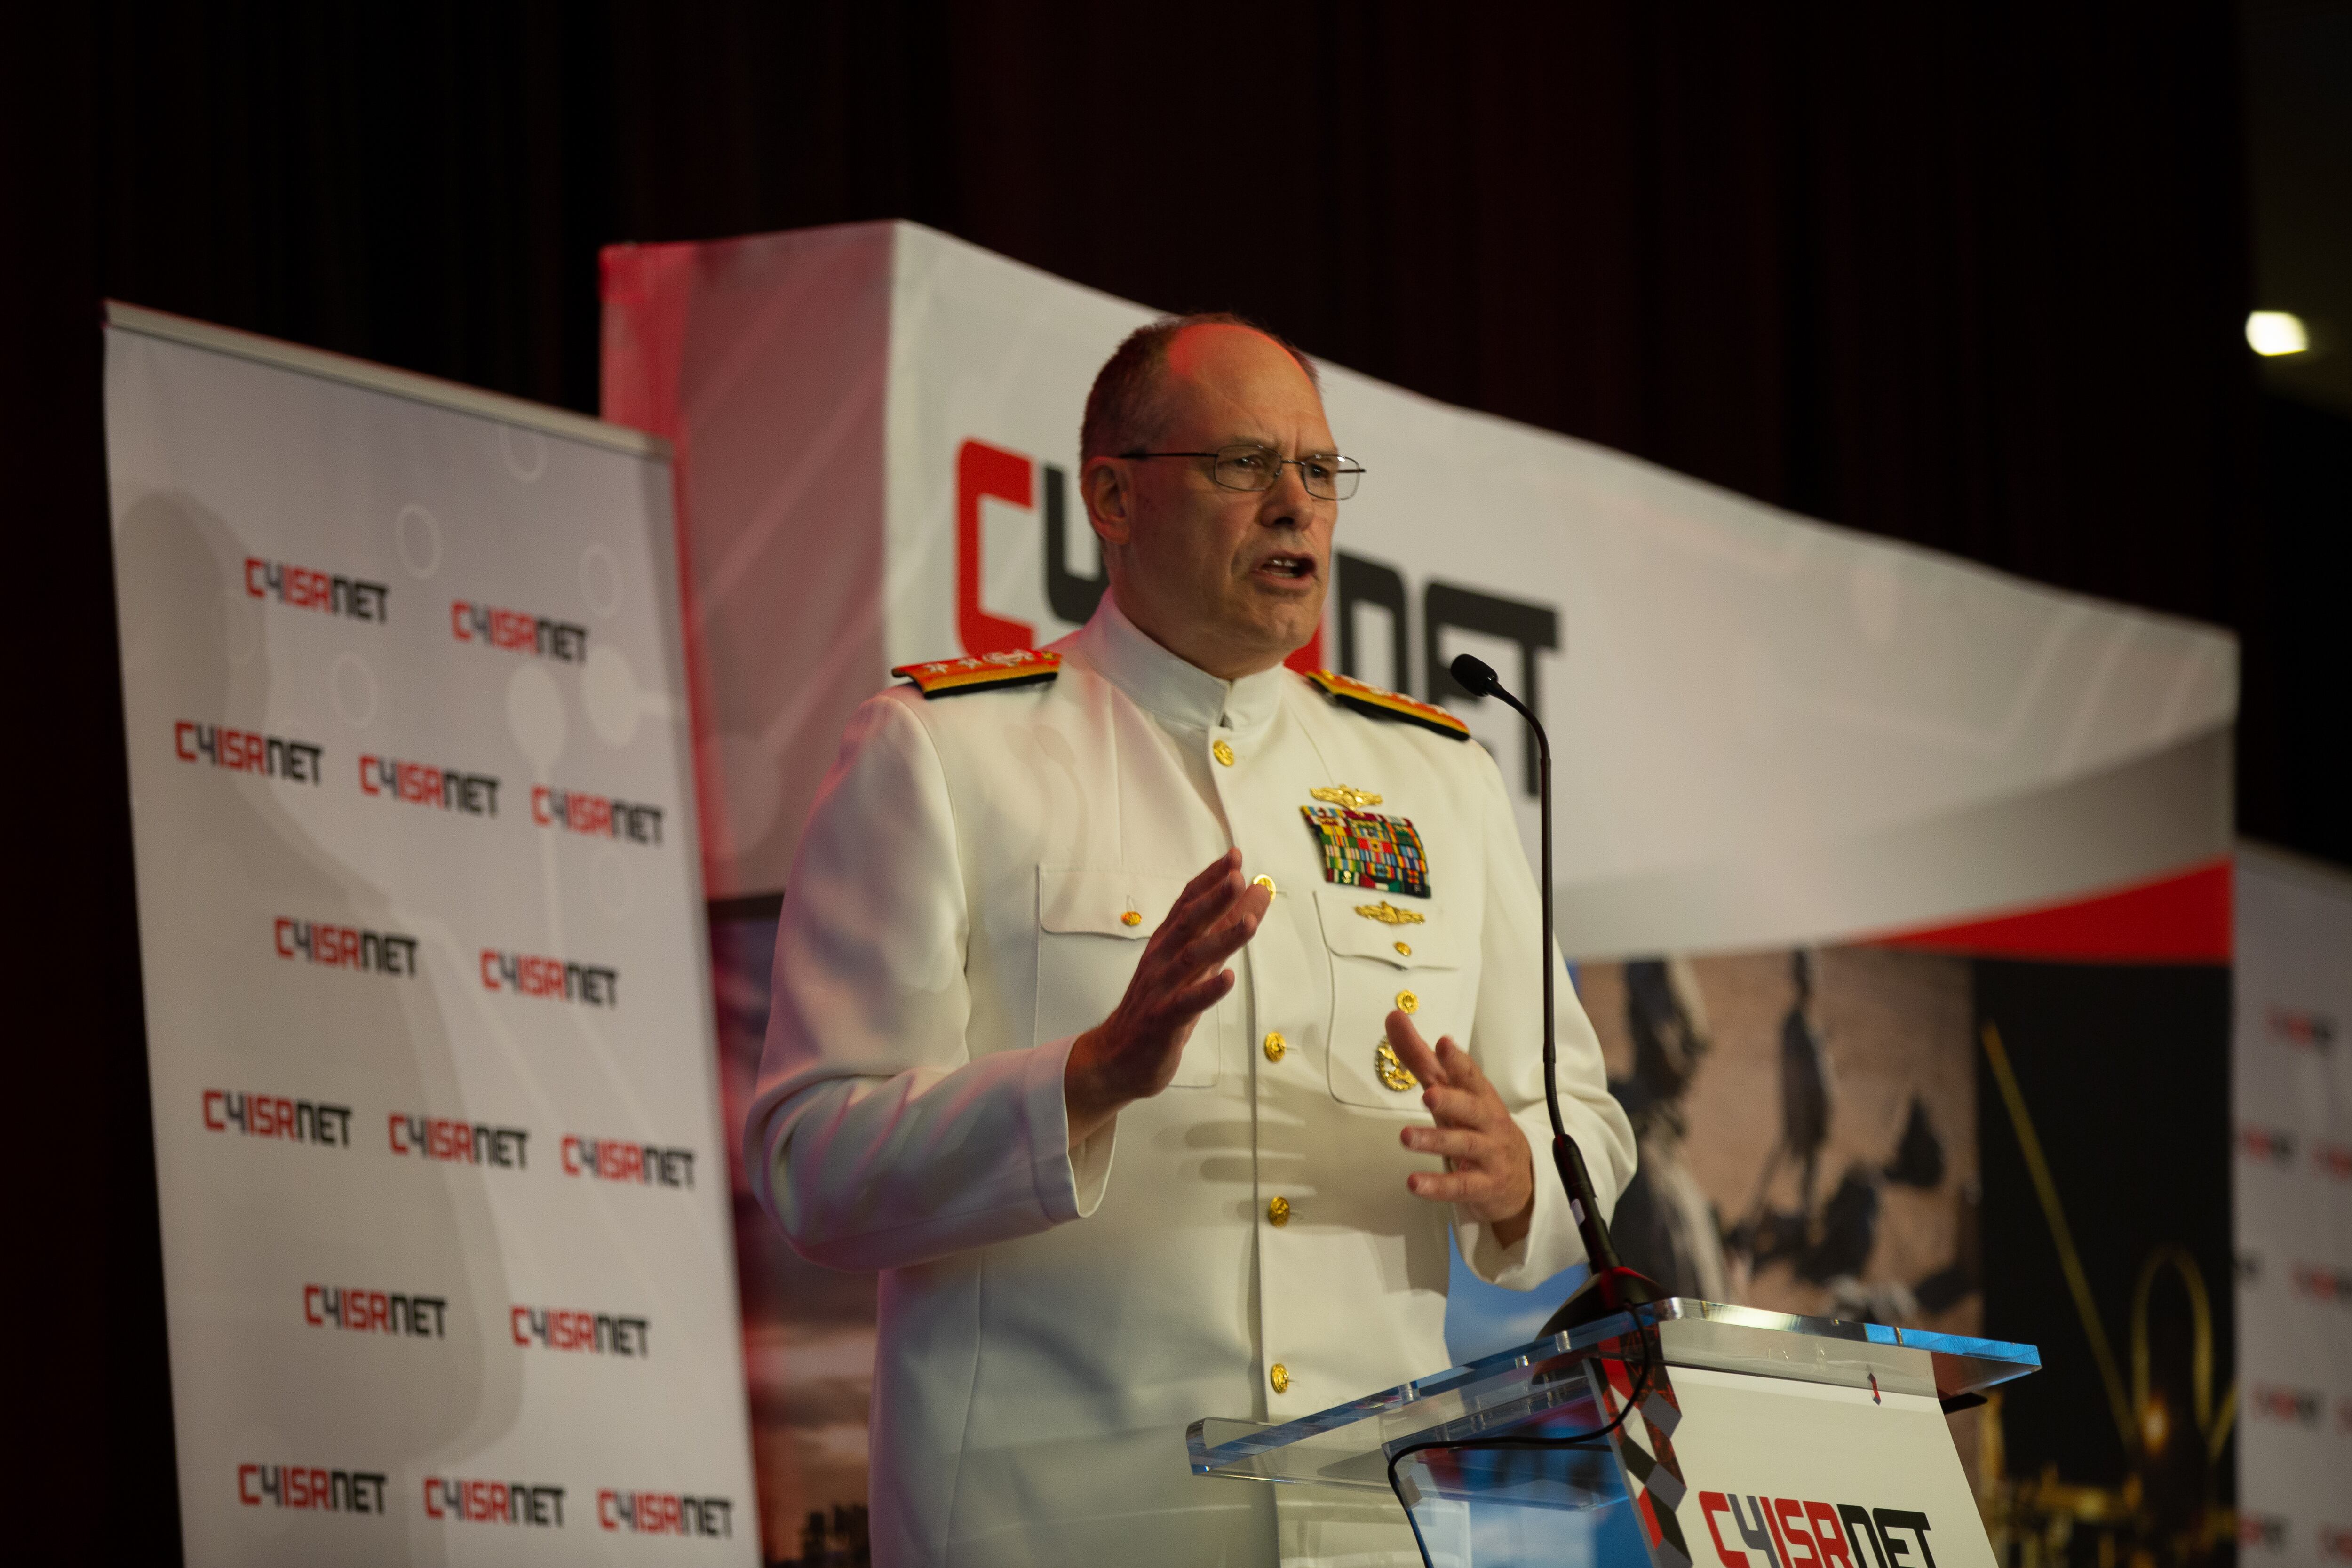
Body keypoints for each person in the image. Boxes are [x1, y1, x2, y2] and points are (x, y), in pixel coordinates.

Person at [743, 312, 1635, 1567]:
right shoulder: (946, 751)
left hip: (1363, 1531)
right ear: (1113, 497)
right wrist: (1081, 1081)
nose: (1295, 504)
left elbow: (1583, 1121)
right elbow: (811, 1164)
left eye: (1318, 470)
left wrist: (1521, 1173)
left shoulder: (1442, 780)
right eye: (1244, 464)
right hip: (1051, 1529)